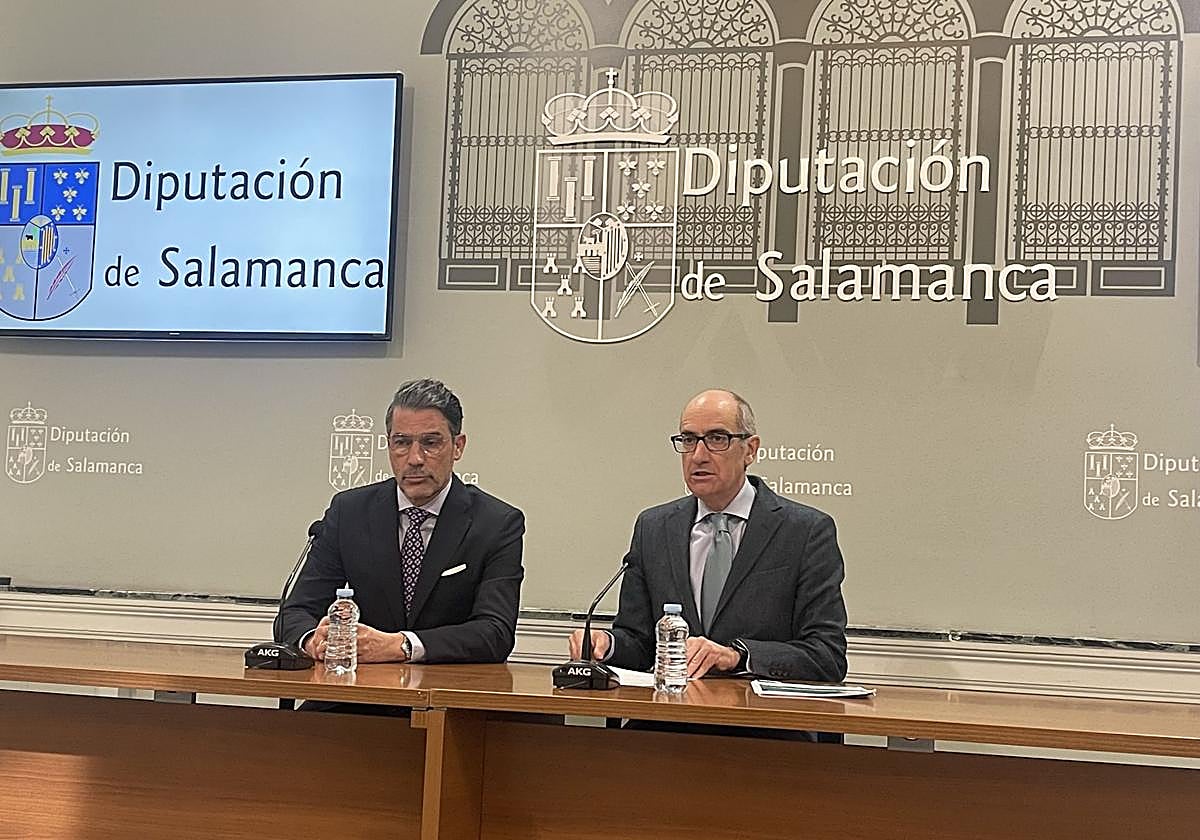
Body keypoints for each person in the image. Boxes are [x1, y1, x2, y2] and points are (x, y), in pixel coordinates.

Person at [569, 389, 847, 682]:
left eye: (717, 439)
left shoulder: (805, 531)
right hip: (672, 708)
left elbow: (827, 656)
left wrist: (736, 656)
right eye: (689, 440)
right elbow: (640, 644)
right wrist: (607, 644)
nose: (698, 455)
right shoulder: (654, 528)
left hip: (759, 709)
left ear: (750, 450)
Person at [277, 378, 525, 666]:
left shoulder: (497, 523)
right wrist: (313, 640)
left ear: (458, 446)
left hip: (446, 686)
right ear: (389, 445)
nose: (415, 458)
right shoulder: (349, 512)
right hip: (360, 685)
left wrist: (402, 645)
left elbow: (495, 633)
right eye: (402, 443)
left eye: (430, 443)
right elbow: (293, 614)